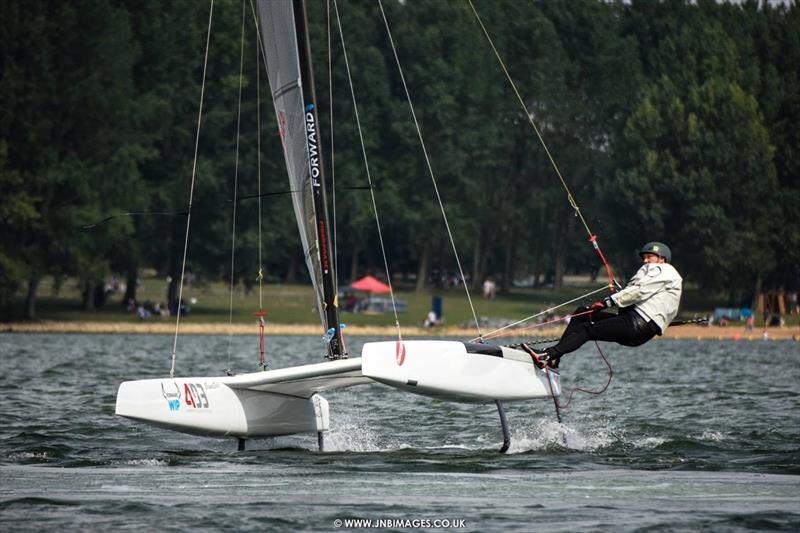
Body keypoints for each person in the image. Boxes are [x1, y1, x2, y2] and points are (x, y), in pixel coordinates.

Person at [534, 242, 683, 368]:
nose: (645, 261)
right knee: (583, 314)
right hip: (637, 326)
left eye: (649, 257)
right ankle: (554, 358)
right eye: (643, 258)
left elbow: (638, 291)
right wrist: (621, 294)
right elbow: (639, 293)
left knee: (586, 329)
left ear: (662, 259)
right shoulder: (664, 276)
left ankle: (547, 355)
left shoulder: (663, 270)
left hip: (637, 324)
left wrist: (607, 302)